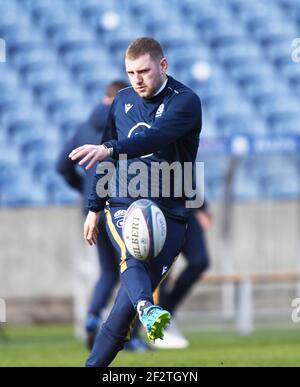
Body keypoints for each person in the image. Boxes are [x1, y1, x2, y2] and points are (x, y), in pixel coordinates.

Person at [69, 37, 202, 367]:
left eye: (144, 71)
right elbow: (106, 160)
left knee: (120, 314)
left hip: (172, 211)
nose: (137, 79)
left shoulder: (185, 101)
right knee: (132, 253)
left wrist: (112, 148)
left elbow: (154, 137)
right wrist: (94, 208)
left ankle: (131, 319)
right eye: (131, 72)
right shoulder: (123, 100)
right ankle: (149, 308)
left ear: (163, 66)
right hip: (124, 201)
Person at [56, 80, 151, 351]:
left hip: (92, 211)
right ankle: (129, 337)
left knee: (108, 272)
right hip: (120, 207)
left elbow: (61, 165)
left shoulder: (83, 129)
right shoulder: (124, 125)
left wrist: (83, 190)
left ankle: (92, 317)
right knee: (132, 270)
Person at [155, 203, 212, 348]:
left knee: (200, 261)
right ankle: (159, 328)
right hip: (159, 206)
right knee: (163, 268)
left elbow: (191, 179)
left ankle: (166, 313)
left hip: (185, 206)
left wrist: (202, 206)